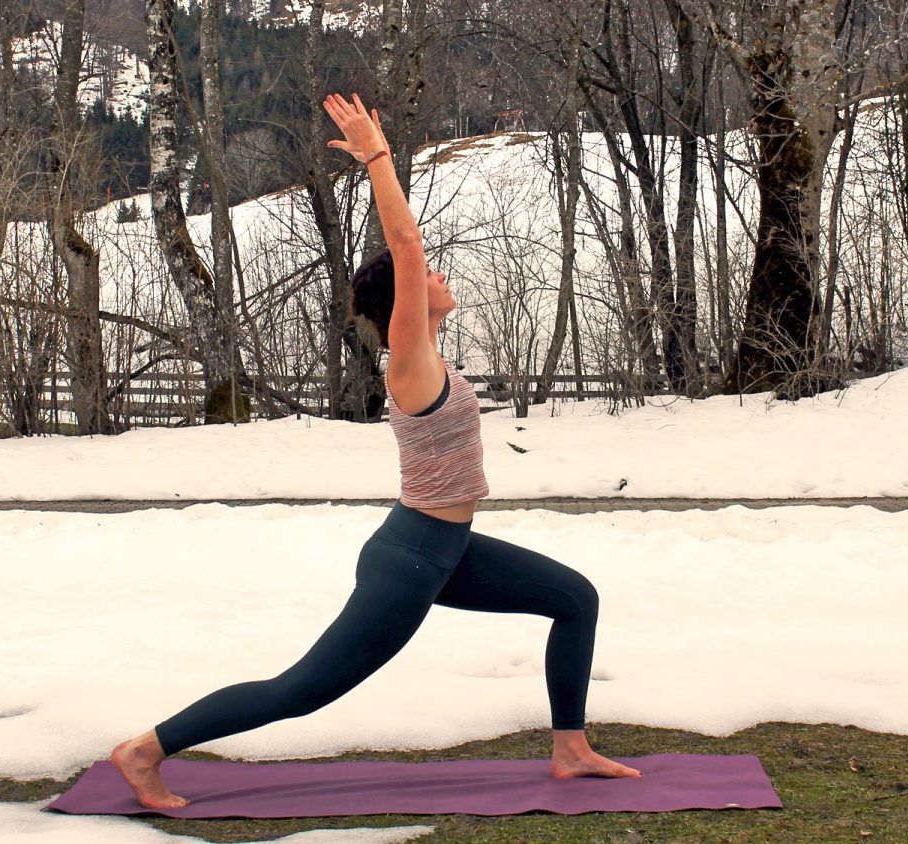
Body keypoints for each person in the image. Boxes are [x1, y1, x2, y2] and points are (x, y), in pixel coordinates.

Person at [109, 93, 640, 809]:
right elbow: (409, 248)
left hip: (443, 548)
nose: (443, 279)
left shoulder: (430, 359)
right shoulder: (407, 360)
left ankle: (571, 748)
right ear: (408, 300)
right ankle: (145, 750)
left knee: (574, 598)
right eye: (430, 279)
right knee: (299, 691)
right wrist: (378, 157)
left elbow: (415, 264)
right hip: (412, 559)